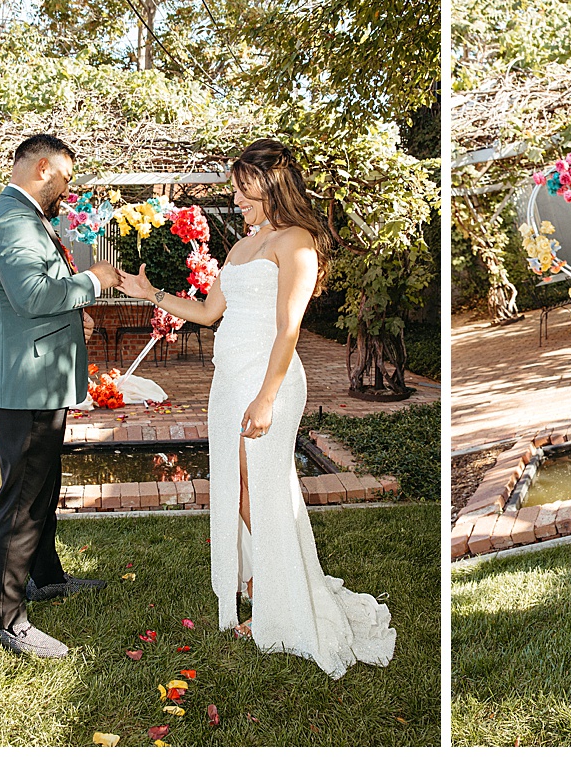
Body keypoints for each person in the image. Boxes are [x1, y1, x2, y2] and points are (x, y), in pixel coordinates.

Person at [118, 139, 394, 677]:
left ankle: (284, 596)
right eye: (236, 191)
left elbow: (289, 326)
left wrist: (267, 396)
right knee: (240, 486)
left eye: (243, 191)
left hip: (270, 381)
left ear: (271, 187)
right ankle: (263, 585)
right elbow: (207, 312)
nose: (237, 200)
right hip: (229, 383)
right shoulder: (244, 247)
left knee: (262, 487)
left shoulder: (297, 242)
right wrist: (150, 292)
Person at [0, 135, 120, 659]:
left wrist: (73, 309)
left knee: (42, 486)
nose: (68, 187)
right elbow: (33, 296)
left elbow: (32, 293)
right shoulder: (13, 220)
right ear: (41, 167)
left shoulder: (19, 215)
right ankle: (6, 619)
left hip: (34, 377)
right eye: (65, 176)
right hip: (23, 384)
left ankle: (46, 577)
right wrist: (93, 281)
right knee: (23, 501)